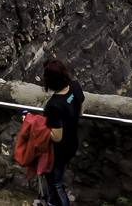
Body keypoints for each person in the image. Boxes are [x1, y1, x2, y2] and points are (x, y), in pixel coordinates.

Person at [40, 58, 85, 206]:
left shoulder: (54, 105)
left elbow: (56, 137)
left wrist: (39, 127)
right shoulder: (75, 87)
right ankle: (51, 202)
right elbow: (81, 111)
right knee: (54, 178)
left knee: (56, 182)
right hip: (72, 143)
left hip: (59, 151)